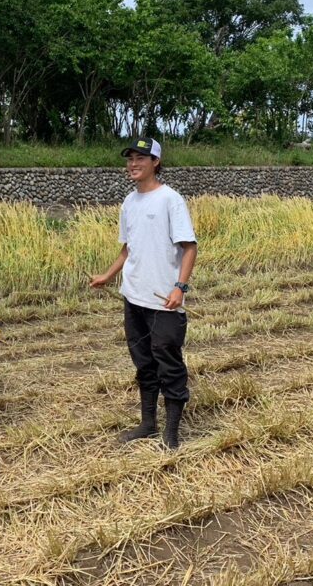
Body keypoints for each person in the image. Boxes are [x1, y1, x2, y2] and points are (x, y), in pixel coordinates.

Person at [90, 138, 197, 450]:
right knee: (144, 363)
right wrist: (108, 276)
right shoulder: (129, 202)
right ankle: (148, 423)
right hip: (133, 296)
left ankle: (172, 432)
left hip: (164, 300)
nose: (133, 164)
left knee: (169, 362)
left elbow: (189, 247)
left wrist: (180, 287)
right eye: (130, 159)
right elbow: (128, 247)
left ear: (156, 163)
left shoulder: (170, 200)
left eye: (141, 158)